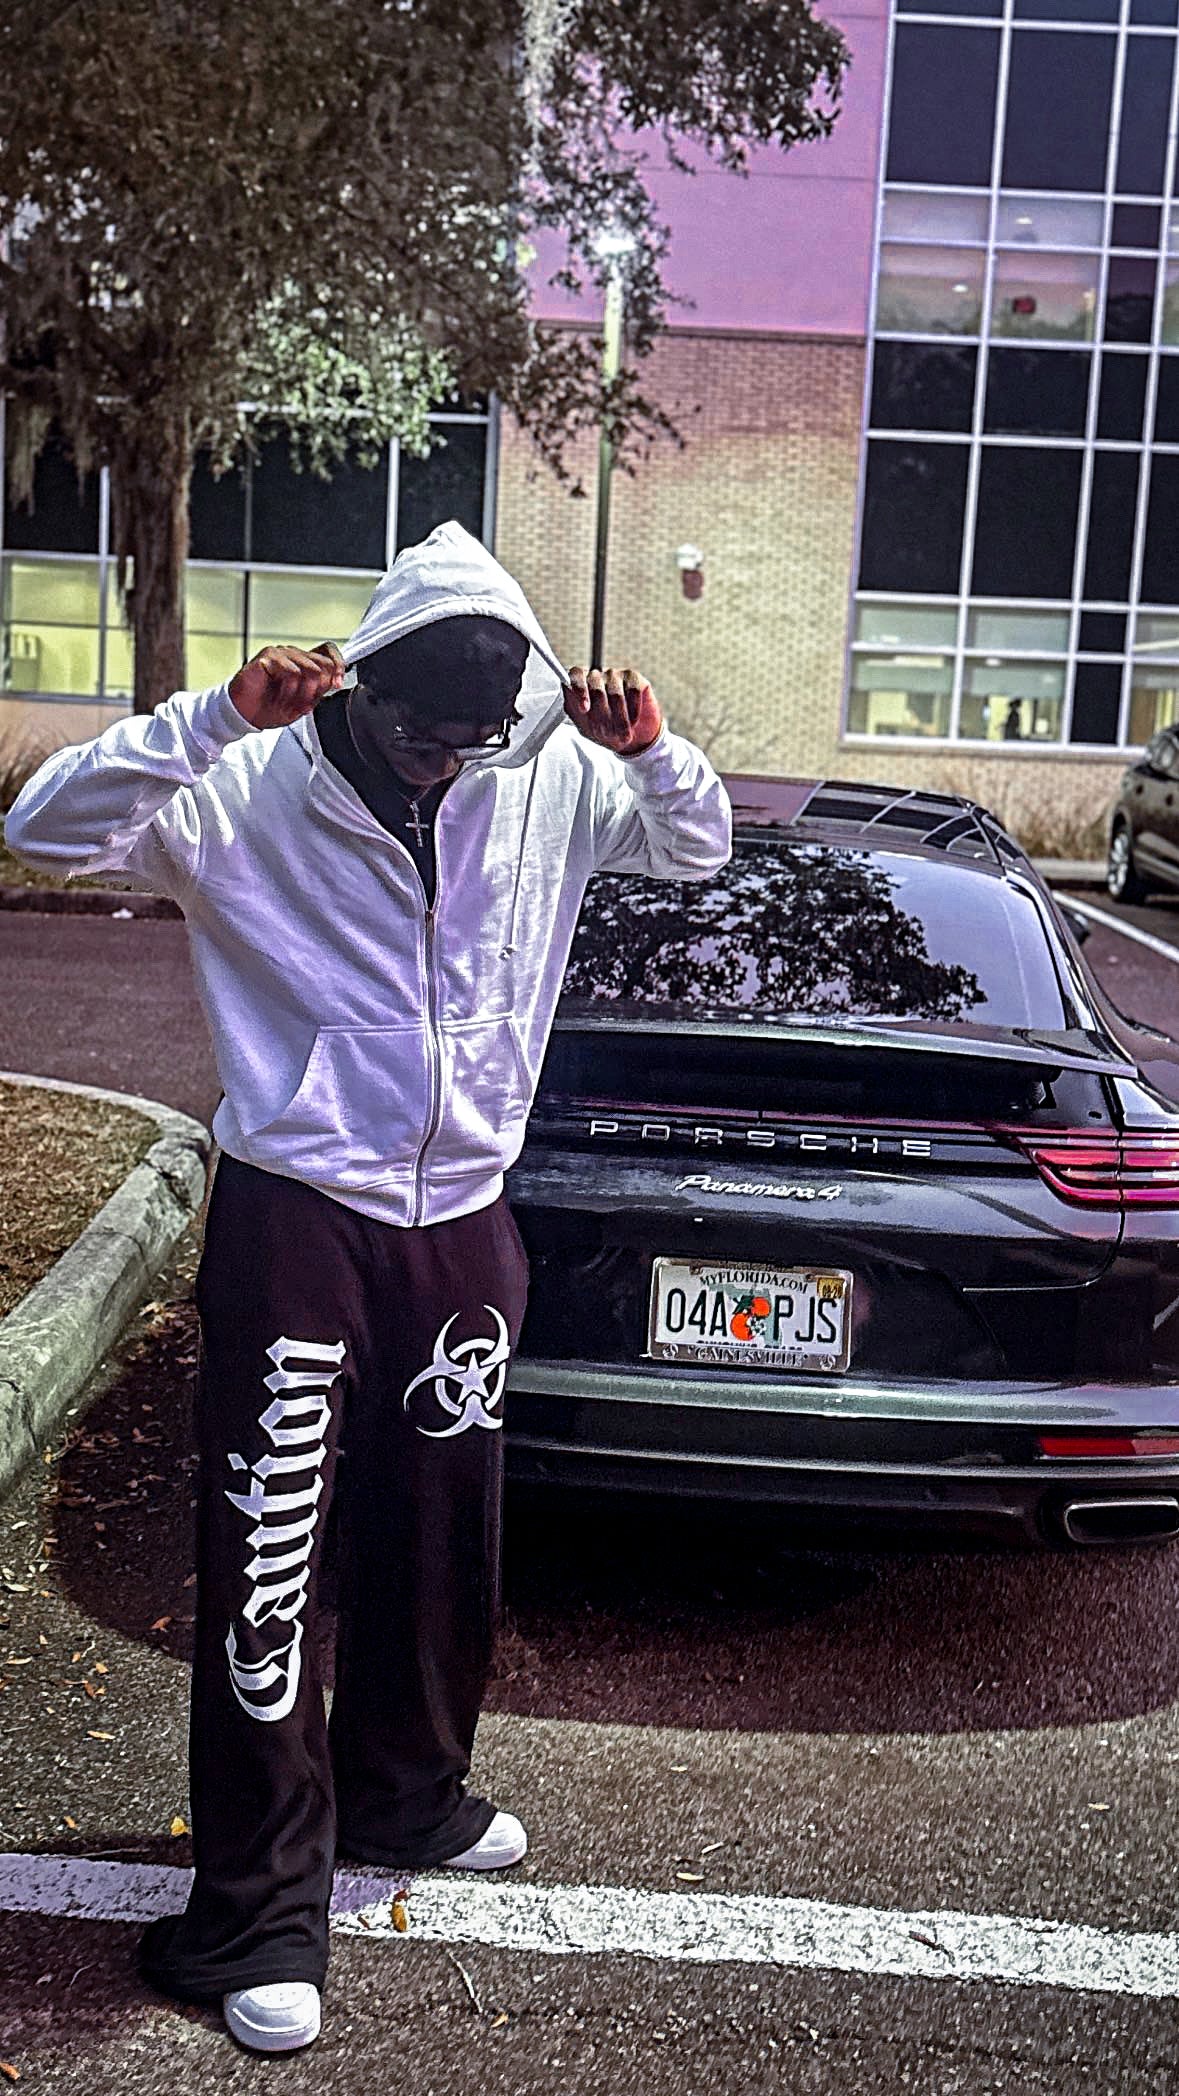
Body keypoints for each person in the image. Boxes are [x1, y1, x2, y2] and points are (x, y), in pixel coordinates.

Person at [4, 519, 732, 2055]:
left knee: (443, 1537)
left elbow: (699, 846)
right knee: (271, 1556)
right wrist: (213, 717)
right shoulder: (246, 781)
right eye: (418, 737)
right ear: (360, 690)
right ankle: (258, 1909)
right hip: (300, 1214)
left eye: (474, 740)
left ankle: (409, 1793)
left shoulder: (544, 770)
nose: (444, 765)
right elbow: (45, 830)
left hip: (466, 1219)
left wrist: (654, 752)